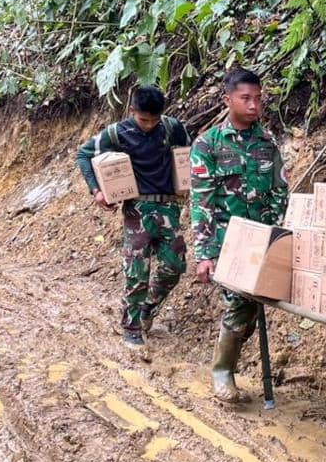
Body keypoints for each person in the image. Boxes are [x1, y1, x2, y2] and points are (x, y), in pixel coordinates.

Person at [190, 68, 288, 402]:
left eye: (258, 98)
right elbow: (201, 200)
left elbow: (279, 193)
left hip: (263, 241)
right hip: (227, 243)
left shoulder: (267, 143)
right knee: (240, 306)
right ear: (227, 99)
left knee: (249, 310)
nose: (253, 105)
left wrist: (280, 239)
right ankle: (222, 374)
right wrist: (204, 253)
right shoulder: (209, 145)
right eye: (245, 98)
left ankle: (228, 366)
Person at [76, 85, 191, 349]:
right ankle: (131, 326)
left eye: (154, 120)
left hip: (170, 208)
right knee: (137, 271)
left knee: (175, 266)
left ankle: (148, 308)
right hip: (136, 210)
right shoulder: (117, 133)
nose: (149, 125)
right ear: (132, 112)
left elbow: (187, 156)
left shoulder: (173, 128)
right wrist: (96, 190)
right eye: (143, 120)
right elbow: (84, 154)